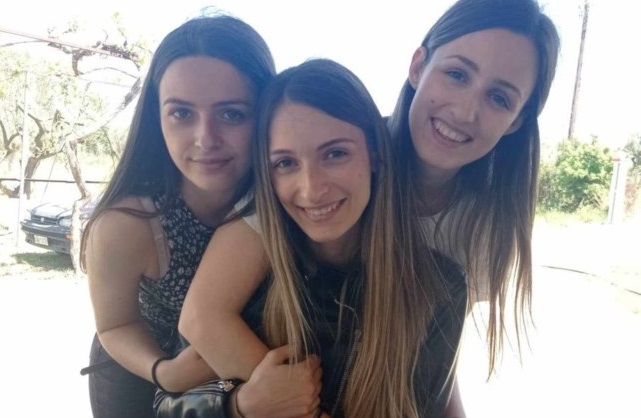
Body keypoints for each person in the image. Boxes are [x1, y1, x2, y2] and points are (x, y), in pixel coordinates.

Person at [173, 58, 467, 418]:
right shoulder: (246, 283)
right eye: (285, 163)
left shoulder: (439, 288)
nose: (312, 189)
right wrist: (240, 406)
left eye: (335, 154)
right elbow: (168, 405)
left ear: (375, 156)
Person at [80, 15, 277, 418]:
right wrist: (164, 371)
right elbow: (115, 326)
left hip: (239, 373)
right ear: (157, 117)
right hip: (140, 373)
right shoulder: (126, 224)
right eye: (182, 114)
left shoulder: (290, 197)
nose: (206, 139)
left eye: (232, 114)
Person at [386, 0, 560, 373]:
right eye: (457, 75)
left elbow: (429, 364)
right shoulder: (333, 161)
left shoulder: (486, 230)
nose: (465, 112)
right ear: (418, 67)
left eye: (499, 98)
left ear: (515, 122)